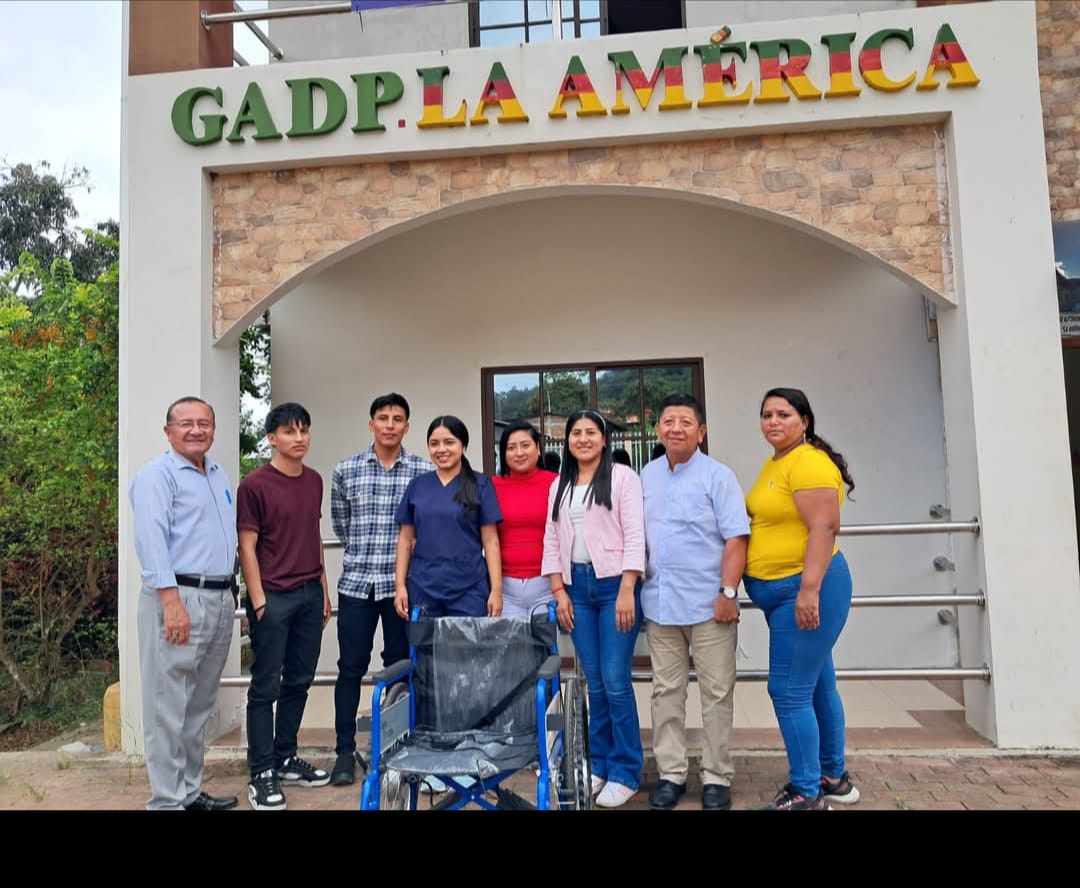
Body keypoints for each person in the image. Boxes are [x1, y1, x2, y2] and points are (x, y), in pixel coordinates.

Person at [743, 387, 859, 811]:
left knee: (788, 691)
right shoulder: (779, 461)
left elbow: (824, 528)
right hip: (786, 592)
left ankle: (806, 793)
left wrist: (809, 590)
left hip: (807, 589)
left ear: (804, 421)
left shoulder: (809, 462)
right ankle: (833, 777)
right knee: (818, 684)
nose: (773, 421)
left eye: (784, 414)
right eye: (767, 414)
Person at [640, 394, 749, 812]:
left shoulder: (718, 476)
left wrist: (728, 593)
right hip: (660, 604)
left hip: (709, 605)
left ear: (701, 432)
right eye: (668, 421)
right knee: (665, 692)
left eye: (686, 422)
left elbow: (736, 539)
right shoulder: (646, 476)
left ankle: (716, 776)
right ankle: (671, 773)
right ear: (658, 430)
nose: (676, 428)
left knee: (716, 693)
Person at [129, 396, 238, 811]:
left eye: (204, 423)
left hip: (219, 596)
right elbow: (151, 540)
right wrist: (170, 601)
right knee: (168, 706)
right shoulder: (157, 476)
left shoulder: (217, 473)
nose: (196, 430)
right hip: (178, 597)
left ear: (213, 429)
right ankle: (167, 802)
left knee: (197, 706)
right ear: (168, 431)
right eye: (186, 423)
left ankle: (189, 793)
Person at [541, 409, 645, 808]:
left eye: (590, 432)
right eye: (576, 433)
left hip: (615, 585)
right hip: (576, 589)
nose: (583, 439)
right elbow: (551, 539)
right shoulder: (560, 484)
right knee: (594, 683)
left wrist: (628, 587)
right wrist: (558, 590)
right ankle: (599, 762)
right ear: (566, 441)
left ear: (604, 439)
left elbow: (635, 534)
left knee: (616, 681)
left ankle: (626, 770)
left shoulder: (622, 477)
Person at [329, 393, 432, 786]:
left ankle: (398, 748)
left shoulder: (422, 471)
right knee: (350, 667)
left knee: (401, 666)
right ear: (371, 423)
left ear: (407, 426)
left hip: (402, 589)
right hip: (357, 584)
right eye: (383, 418)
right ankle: (344, 751)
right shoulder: (346, 470)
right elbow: (342, 525)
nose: (390, 425)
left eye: (398, 419)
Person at [237, 402, 332, 811]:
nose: (300, 438)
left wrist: (323, 590)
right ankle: (261, 771)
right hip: (273, 597)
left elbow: (313, 535)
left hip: (310, 593)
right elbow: (247, 546)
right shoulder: (254, 485)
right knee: (265, 686)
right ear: (272, 438)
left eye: (304, 430)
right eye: (290, 431)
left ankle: (286, 756)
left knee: (299, 680)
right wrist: (259, 601)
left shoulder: (313, 481)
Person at [394, 416, 503, 619]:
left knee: (468, 640)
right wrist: (400, 585)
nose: (441, 449)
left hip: (470, 588)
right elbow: (405, 539)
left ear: (463, 445)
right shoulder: (417, 486)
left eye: (449, 442)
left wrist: (496, 590)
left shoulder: (481, 485)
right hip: (423, 587)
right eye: (434, 443)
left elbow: (491, 541)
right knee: (424, 640)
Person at [492, 421, 559, 618]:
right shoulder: (492, 486)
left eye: (525, 445)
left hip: (547, 586)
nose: (519, 453)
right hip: (506, 590)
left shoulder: (556, 483)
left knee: (545, 638)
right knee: (510, 639)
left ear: (538, 448)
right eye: (511, 447)